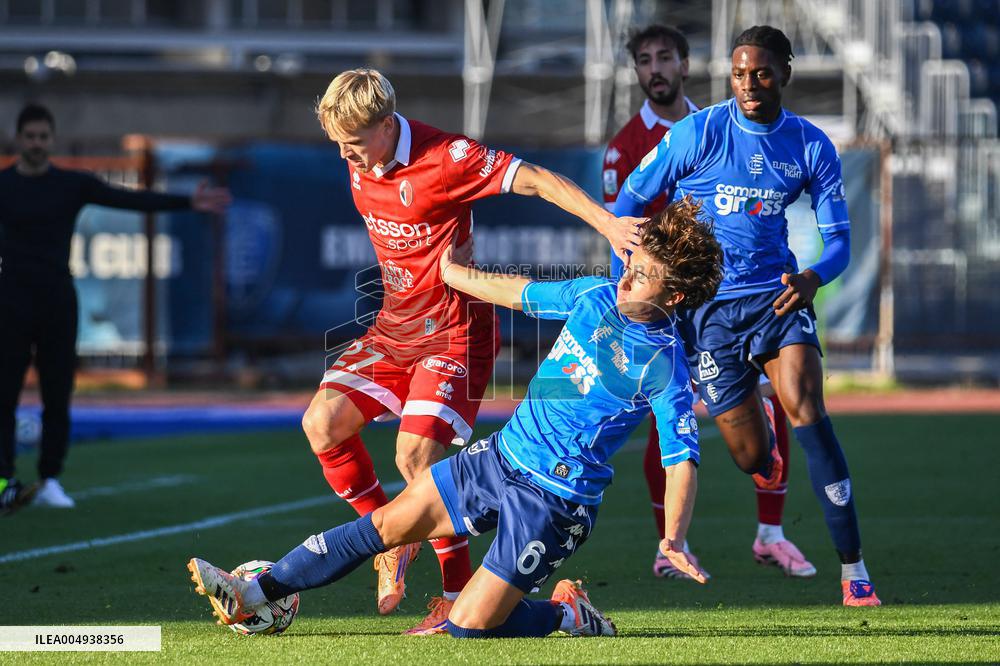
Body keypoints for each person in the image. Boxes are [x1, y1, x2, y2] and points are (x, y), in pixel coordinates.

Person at [188, 196, 723, 638]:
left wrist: (673, 539)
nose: (627, 277)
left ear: (674, 295)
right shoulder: (594, 295)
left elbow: (681, 460)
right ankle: (251, 593)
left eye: (644, 276)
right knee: (384, 526)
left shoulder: (665, 366)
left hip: (556, 502)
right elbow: (518, 294)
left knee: (468, 625)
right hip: (499, 458)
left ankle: (567, 614)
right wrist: (452, 272)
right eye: (631, 264)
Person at [304, 68, 644, 634]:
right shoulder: (360, 154)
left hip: (454, 330)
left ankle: (453, 595)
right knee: (322, 424)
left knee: (415, 457)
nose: (345, 155)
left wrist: (607, 224)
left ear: (387, 125)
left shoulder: (446, 157)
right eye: (337, 144)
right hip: (394, 326)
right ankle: (390, 539)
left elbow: (537, 179)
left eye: (353, 143)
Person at [613, 25, 880, 606]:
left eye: (761, 73)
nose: (749, 84)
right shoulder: (698, 132)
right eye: (739, 74)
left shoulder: (810, 144)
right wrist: (627, 284)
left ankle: (855, 571)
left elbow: (839, 242)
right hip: (707, 315)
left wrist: (812, 278)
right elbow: (629, 202)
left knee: (808, 410)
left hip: (778, 299)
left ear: (784, 74)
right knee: (752, 458)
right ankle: (762, 441)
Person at [603, 25, 814, 580]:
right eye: (644, 60)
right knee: (666, 415)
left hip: (738, 296)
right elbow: (620, 223)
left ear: (685, 64)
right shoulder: (626, 147)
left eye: (664, 57)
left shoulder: (722, 122)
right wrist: (630, 299)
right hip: (670, 303)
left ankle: (771, 534)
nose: (655, 69)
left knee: (776, 399)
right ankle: (670, 545)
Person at [0, 103, 231, 515]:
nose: (36, 143)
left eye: (42, 136)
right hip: (11, 300)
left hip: (56, 298)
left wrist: (186, 202)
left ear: (51, 140)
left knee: (57, 392)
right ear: (18, 139)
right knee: (4, 392)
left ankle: (50, 479)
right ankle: (4, 480)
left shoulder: (69, 185)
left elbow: (129, 198)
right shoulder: (4, 185)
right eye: (29, 136)